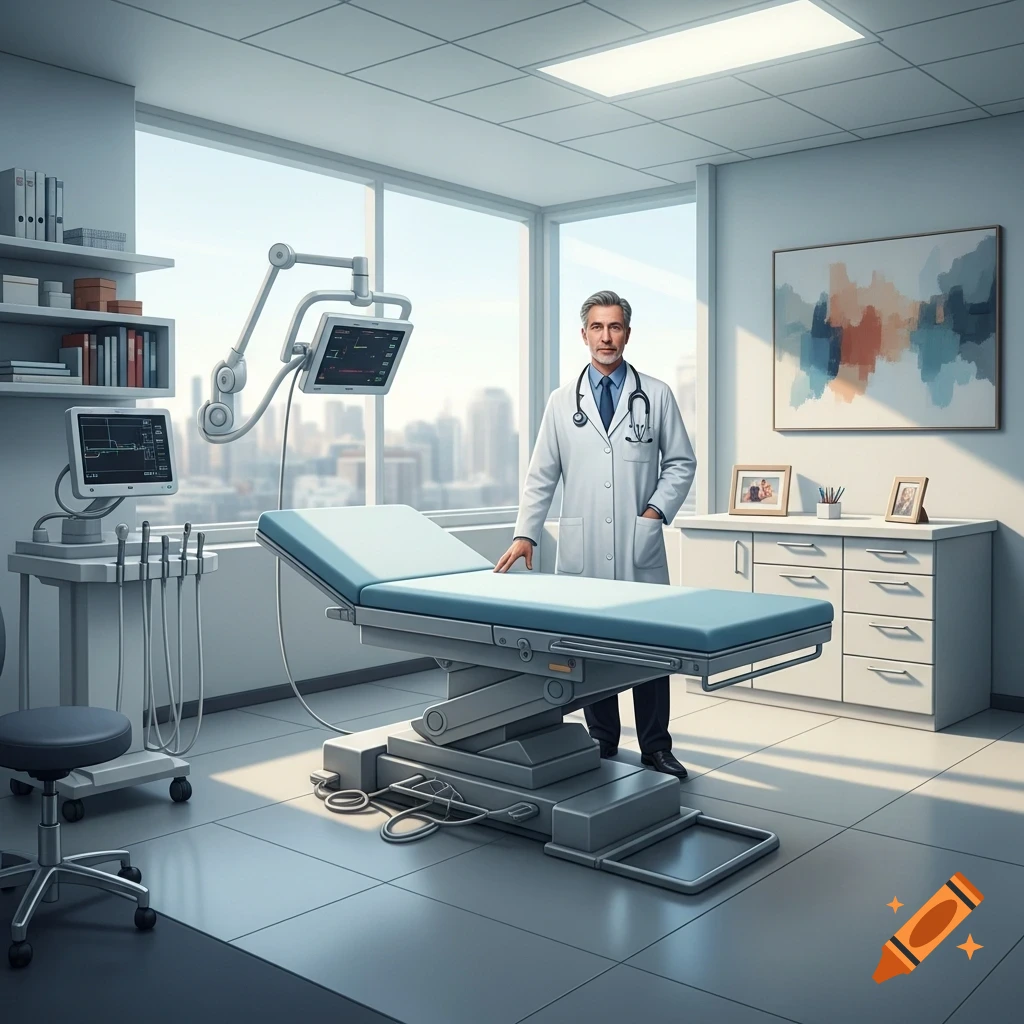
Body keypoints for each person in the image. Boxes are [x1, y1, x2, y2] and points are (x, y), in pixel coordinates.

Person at [494, 289, 696, 779]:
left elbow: (681, 462)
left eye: (615, 327)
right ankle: (602, 739)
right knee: (591, 646)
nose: (607, 337)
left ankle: (655, 747)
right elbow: (541, 475)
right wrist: (526, 534)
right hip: (582, 546)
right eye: (598, 328)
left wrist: (654, 511)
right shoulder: (562, 402)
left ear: (627, 333)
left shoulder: (656, 395)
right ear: (583, 334)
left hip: (638, 542)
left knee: (651, 648)